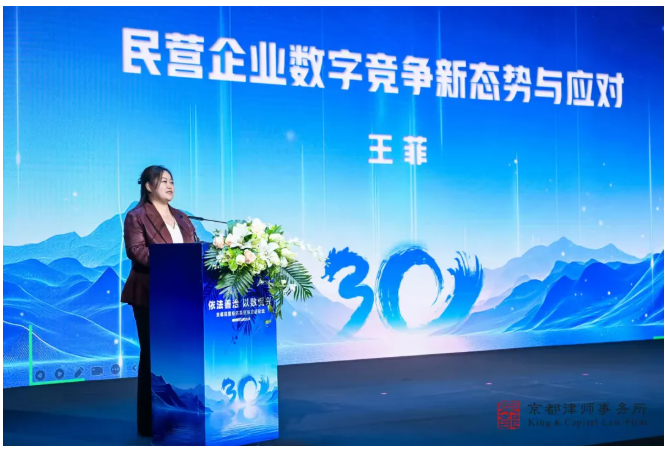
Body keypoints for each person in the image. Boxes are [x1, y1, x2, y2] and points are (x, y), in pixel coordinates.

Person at [121, 165, 198, 437]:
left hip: (182, 294)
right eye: (163, 181)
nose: (170, 185)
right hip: (150, 293)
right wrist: (172, 262)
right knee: (152, 355)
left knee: (178, 356)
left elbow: (196, 248)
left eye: (172, 181)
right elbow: (136, 251)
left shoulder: (182, 217)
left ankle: (180, 421)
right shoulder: (136, 216)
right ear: (148, 186)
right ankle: (148, 423)